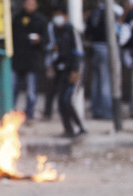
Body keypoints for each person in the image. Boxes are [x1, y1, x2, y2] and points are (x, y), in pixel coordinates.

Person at [50, 6, 88, 138]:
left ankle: (81, 129)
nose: (57, 19)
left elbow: (78, 53)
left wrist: (75, 71)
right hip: (63, 71)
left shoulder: (71, 30)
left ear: (65, 17)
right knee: (61, 101)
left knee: (68, 100)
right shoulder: (57, 31)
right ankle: (69, 130)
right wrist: (53, 65)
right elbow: (59, 53)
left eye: (59, 15)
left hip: (74, 71)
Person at [85, 0, 124, 119]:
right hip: (106, 47)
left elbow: (88, 31)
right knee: (106, 81)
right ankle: (106, 112)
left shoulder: (93, 14)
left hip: (95, 47)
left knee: (96, 81)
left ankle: (97, 110)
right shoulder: (110, 12)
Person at [11, 0, 47, 124]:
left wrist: (39, 41)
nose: (29, 6)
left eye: (31, 4)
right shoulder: (16, 19)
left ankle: (29, 114)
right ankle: (10, 114)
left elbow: (45, 41)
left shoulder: (41, 20)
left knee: (31, 91)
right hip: (18, 61)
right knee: (13, 88)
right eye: (27, 3)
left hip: (33, 61)